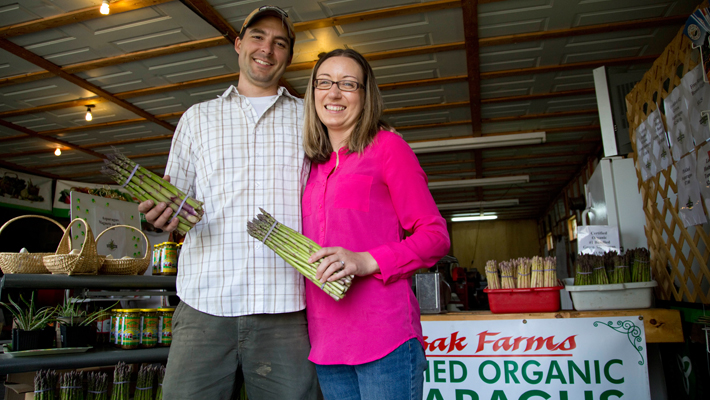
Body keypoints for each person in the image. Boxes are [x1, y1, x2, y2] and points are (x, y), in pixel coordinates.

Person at [138, 6, 320, 400]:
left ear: (288, 55)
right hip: (204, 305)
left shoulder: (311, 118)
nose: (266, 49)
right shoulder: (196, 119)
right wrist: (159, 218)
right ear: (239, 44)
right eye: (257, 37)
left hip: (286, 308)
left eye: (280, 43)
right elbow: (175, 206)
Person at [301, 48, 451, 400]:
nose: (334, 92)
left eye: (348, 84)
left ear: (366, 96)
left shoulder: (388, 148)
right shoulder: (309, 167)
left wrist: (365, 260)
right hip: (326, 345)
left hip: (384, 339)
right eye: (324, 82)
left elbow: (435, 236)